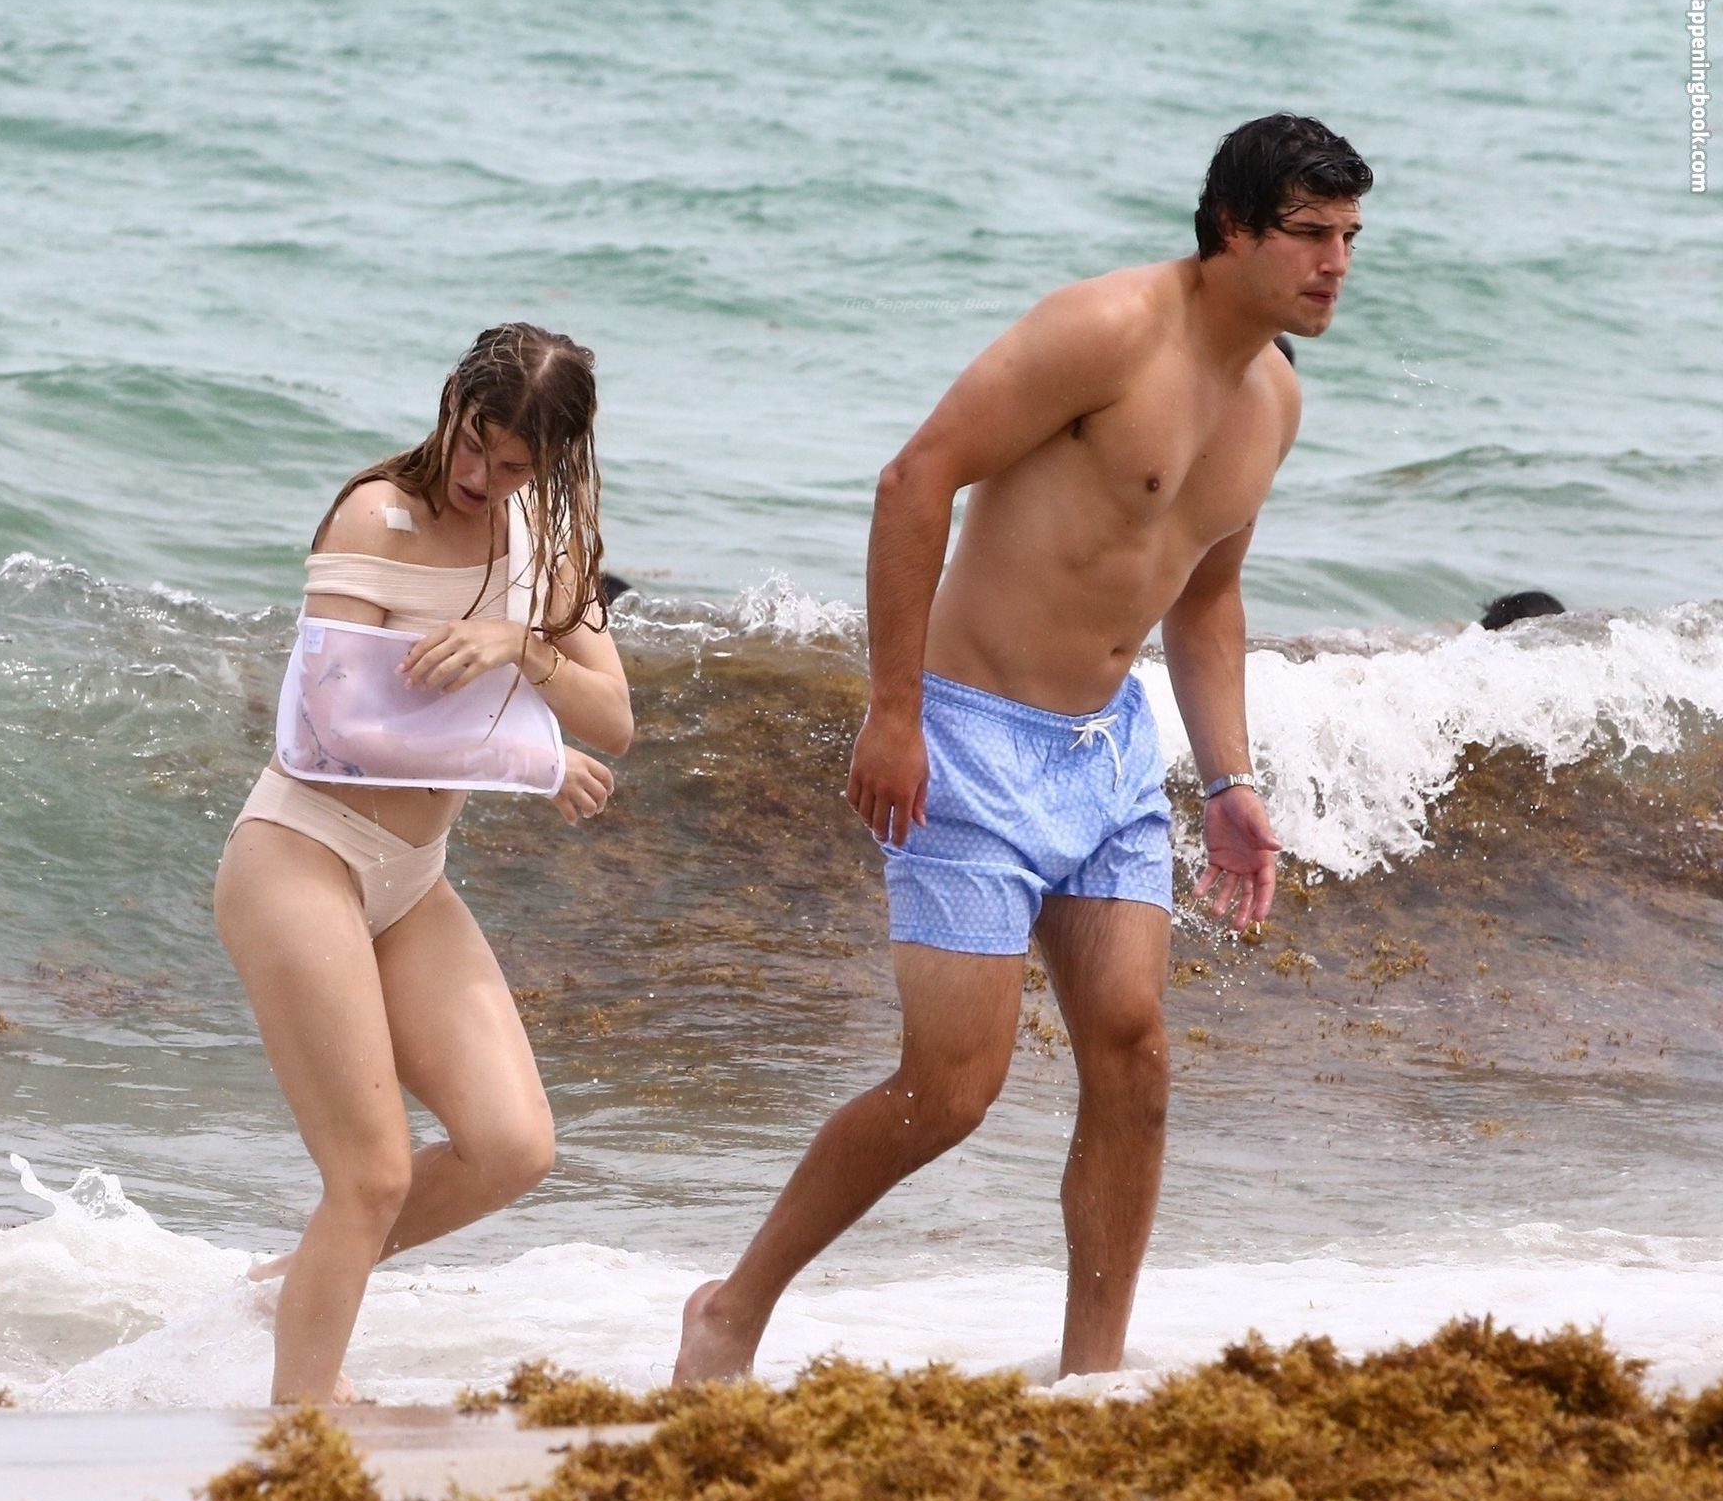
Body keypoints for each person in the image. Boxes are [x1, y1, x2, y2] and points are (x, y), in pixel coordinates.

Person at [674, 114, 1371, 1384]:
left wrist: (1229, 781)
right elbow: (915, 479)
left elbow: (1207, 601)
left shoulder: (1273, 400)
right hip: (970, 737)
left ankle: (1092, 1378)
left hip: (1108, 750)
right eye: (1311, 235)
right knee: (951, 1089)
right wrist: (895, 711)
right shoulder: (1105, 331)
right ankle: (732, 1307)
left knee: (1134, 1053)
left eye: (1350, 239)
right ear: (1232, 230)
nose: (1336, 264)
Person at [215, 323, 633, 1405]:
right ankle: (304, 1420)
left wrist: (523, 647)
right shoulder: (375, 516)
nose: (480, 477)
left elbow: (615, 717)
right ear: (452, 401)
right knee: (371, 1173)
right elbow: (335, 728)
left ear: (553, 464)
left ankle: (294, 1286)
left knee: (511, 1146)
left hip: (412, 880)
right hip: (302, 853)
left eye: (513, 466)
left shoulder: (544, 544)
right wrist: (535, 761)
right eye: (473, 442)